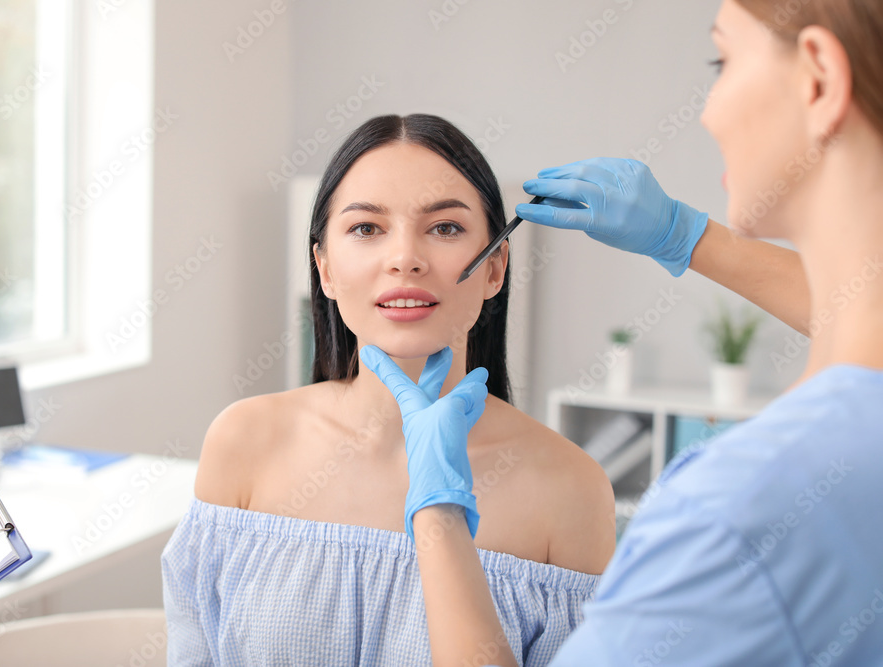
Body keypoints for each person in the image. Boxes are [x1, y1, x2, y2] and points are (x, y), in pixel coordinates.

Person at [365, 0, 883, 665]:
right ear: (320, 262)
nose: (707, 110)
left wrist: (436, 515)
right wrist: (685, 235)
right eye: (366, 226)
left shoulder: (733, 515)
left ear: (818, 78)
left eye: (721, 60)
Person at [161, 114, 616, 665]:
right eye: (366, 229)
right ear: (324, 269)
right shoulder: (244, 440)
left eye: (445, 227)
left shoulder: (572, 490)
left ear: (495, 267)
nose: (405, 258)